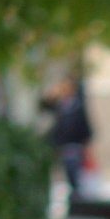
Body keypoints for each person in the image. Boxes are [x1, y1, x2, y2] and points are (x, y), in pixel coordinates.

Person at [41, 75, 94, 203]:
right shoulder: (59, 104)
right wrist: (52, 95)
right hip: (59, 145)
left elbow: (85, 127)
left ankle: (75, 200)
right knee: (56, 174)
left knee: (73, 173)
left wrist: (85, 146)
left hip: (73, 145)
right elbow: (43, 107)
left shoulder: (78, 106)